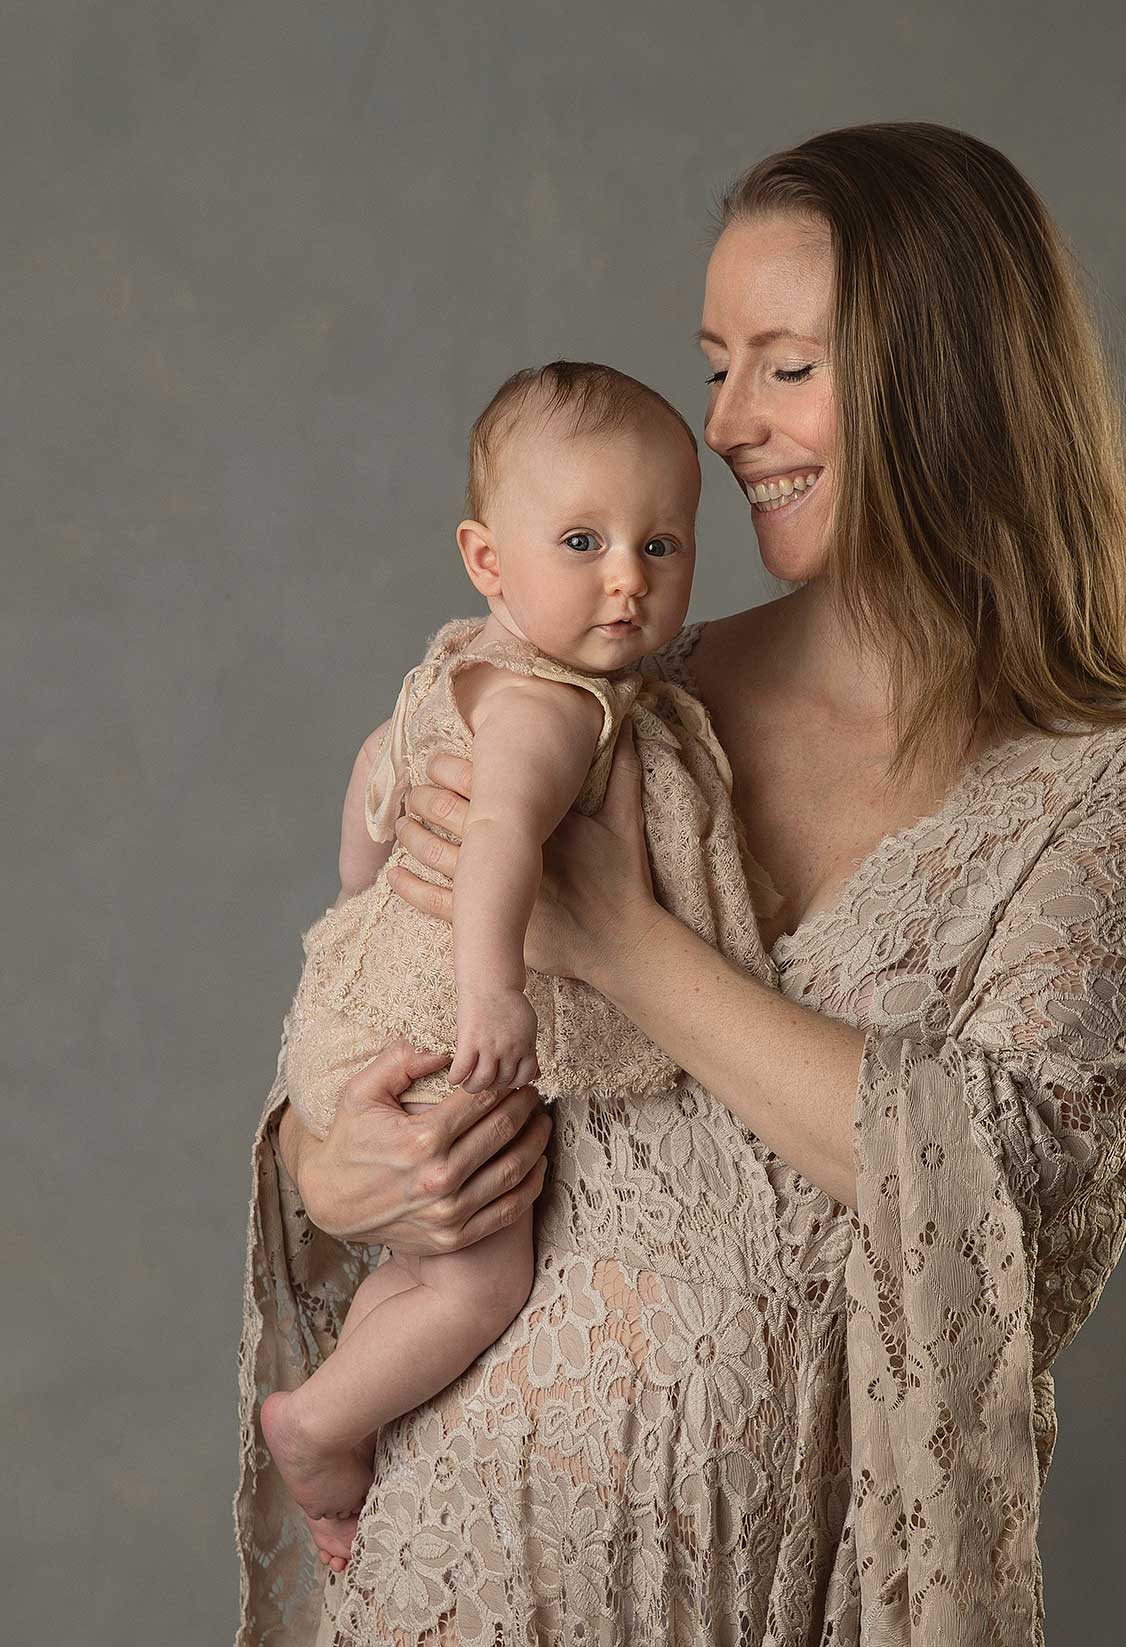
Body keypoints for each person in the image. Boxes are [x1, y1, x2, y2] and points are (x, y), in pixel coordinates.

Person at [231, 123, 1126, 1647]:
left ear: (950, 380)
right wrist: (334, 1164)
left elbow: (1007, 1209)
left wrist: (626, 938)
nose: (726, 426)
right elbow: (386, 1006)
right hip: (469, 1610)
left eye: (786, 365)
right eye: (717, 367)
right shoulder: (624, 680)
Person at [258, 360, 779, 1575]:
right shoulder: (556, 711)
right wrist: (490, 985)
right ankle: (320, 1427)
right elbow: (497, 835)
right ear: (488, 560)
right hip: (440, 1036)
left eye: (662, 546)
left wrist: (359, 894)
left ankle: (348, 1401)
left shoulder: (459, 662)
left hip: (356, 1012)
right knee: (480, 1286)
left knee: (425, 1269)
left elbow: (373, 778)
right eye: (584, 540)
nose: (626, 581)